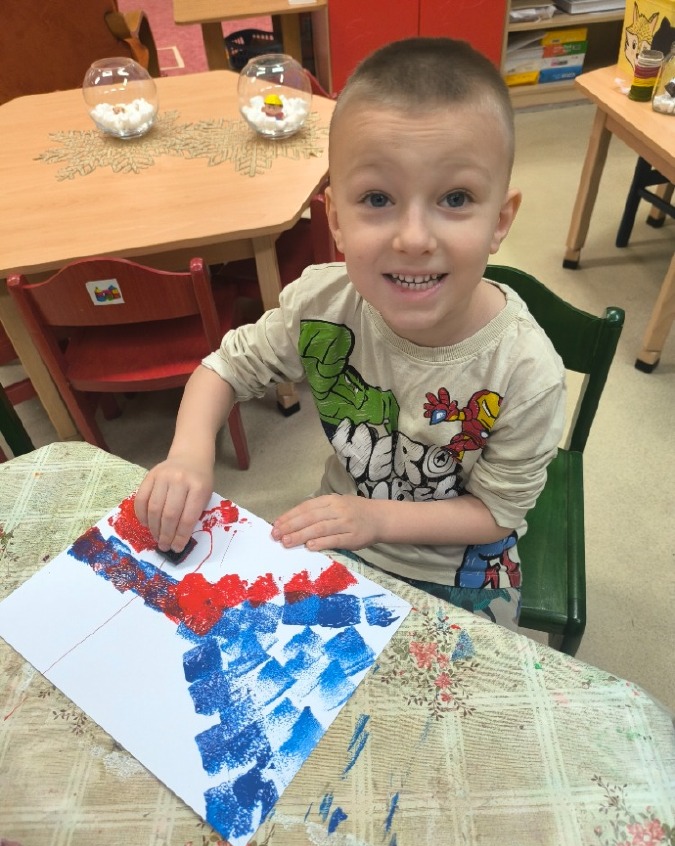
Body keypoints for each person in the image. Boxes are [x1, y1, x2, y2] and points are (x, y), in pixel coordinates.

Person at [135, 37, 566, 630]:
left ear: (500, 220)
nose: (413, 238)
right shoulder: (322, 302)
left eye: (455, 198)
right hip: (341, 532)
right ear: (336, 219)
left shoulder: (526, 371)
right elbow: (224, 368)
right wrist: (188, 455)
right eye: (378, 198)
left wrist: (374, 518)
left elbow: (497, 514)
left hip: (459, 568)